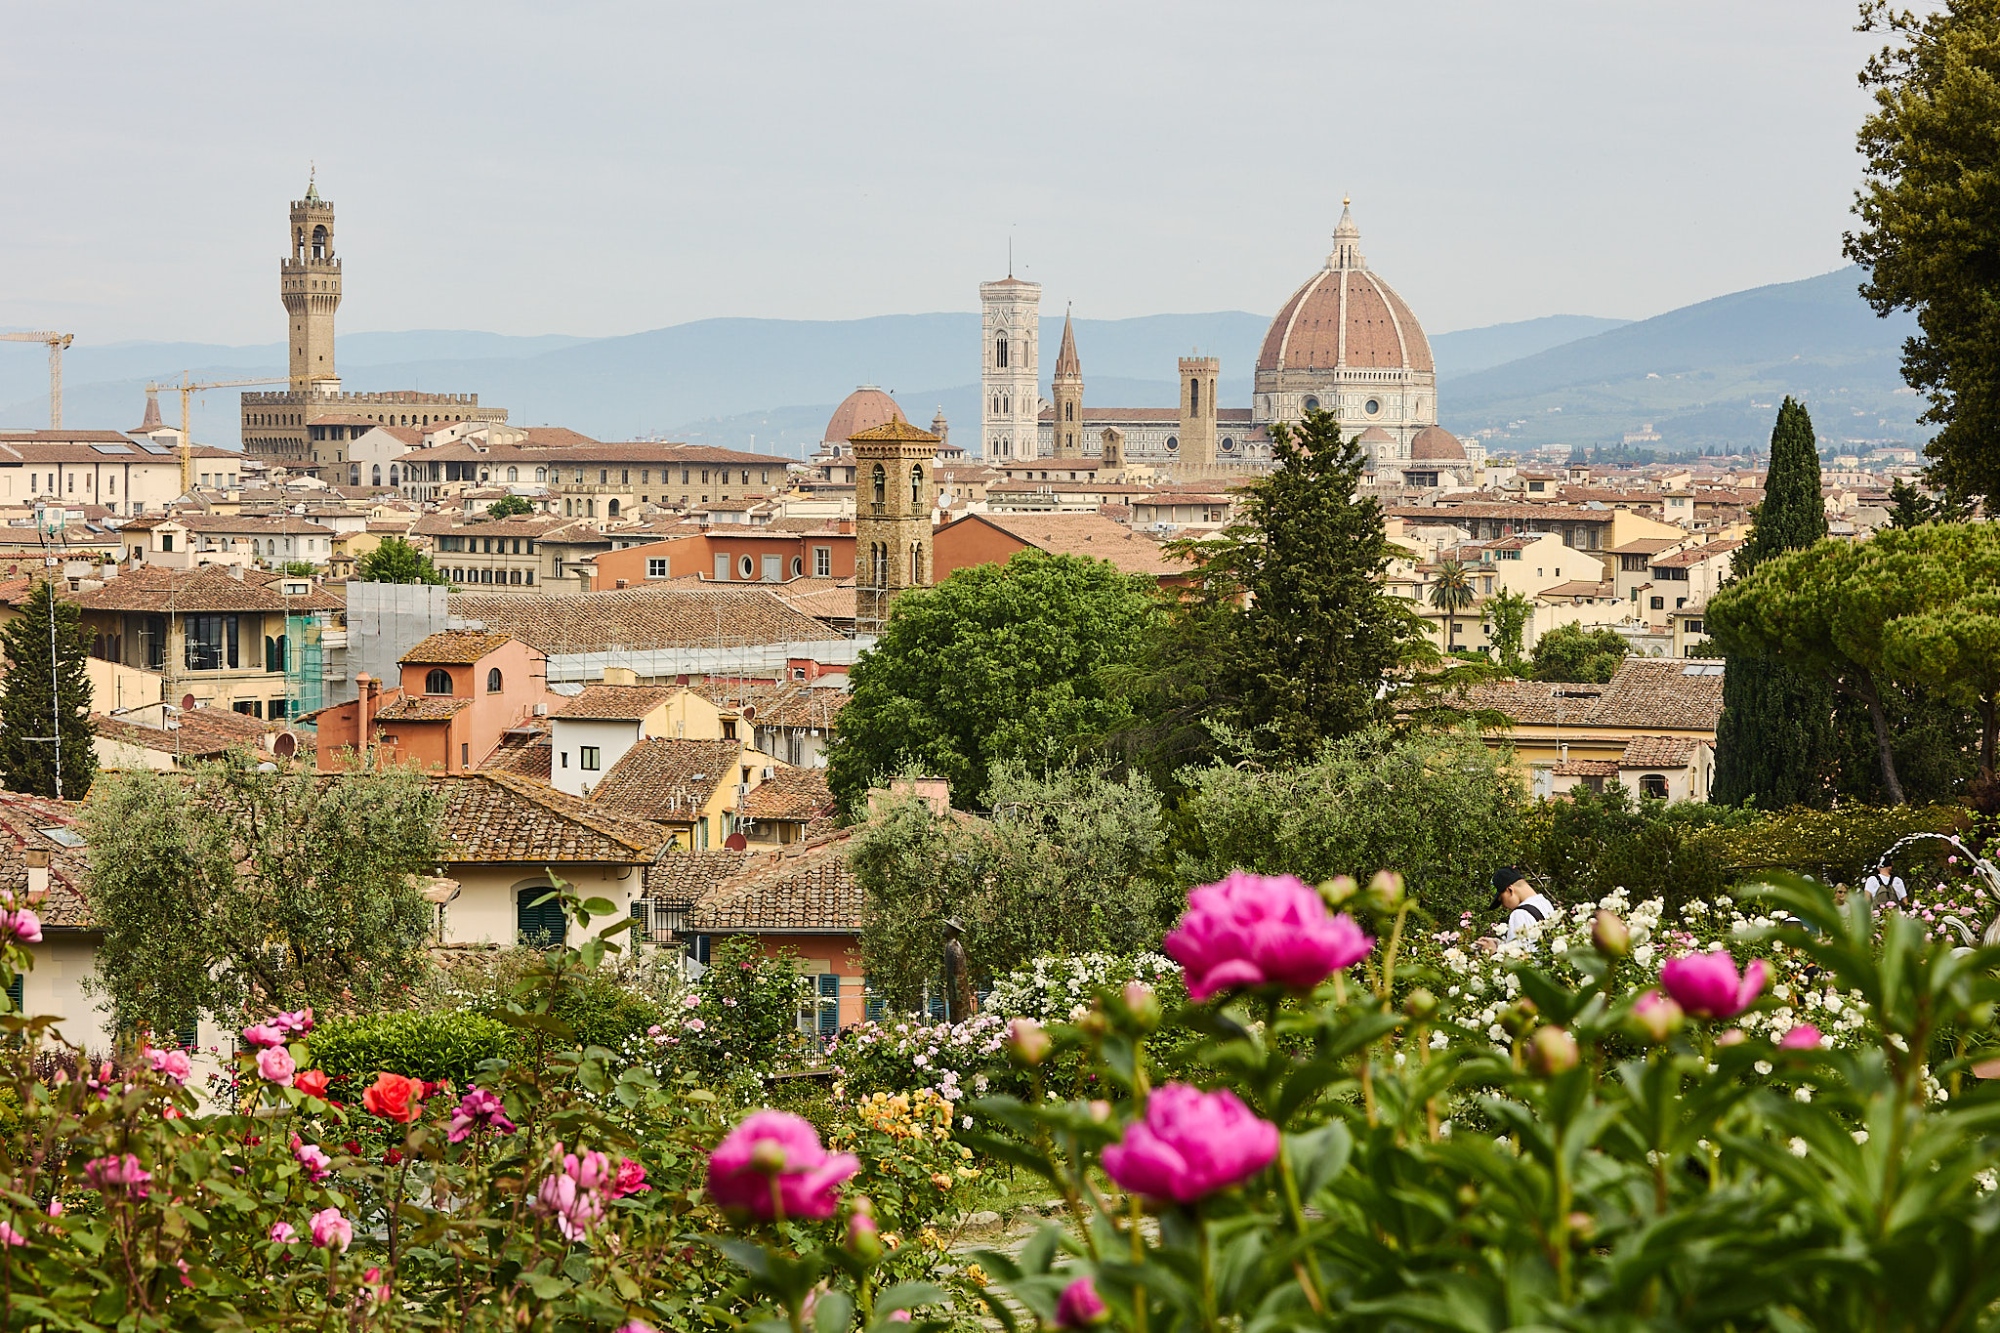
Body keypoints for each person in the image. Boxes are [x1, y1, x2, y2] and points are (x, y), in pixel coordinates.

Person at [1482, 866, 1555, 948]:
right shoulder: (1546, 903)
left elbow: (1517, 957)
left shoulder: (1519, 914)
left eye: (1501, 900)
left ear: (1510, 890)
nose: (1504, 906)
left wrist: (1493, 951)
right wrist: (1500, 944)